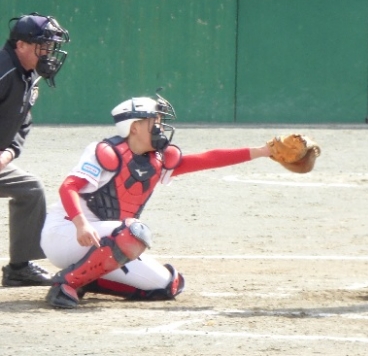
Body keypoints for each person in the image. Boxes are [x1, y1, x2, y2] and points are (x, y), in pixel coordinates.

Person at [41, 93, 276, 309]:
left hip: (106, 241)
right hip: (65, 234)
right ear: (134, 127)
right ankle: (65, 284)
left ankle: (86, 279)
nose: (161, 128)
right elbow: (68, 186)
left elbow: (207, 158)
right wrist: (81, 224)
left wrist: (262, 151)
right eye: (155, 122)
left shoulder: (158, 161)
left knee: (167, 286)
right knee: (133, 232)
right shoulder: (106, 153)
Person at [0, 13, 70, 287]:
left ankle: (19, 268)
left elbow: (22, 122)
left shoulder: (28, 75)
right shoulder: (4, 70)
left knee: (30, 189)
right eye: (43, 46)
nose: (48, 52)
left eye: (50, 46)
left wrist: (8, 153)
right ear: (21, 45)